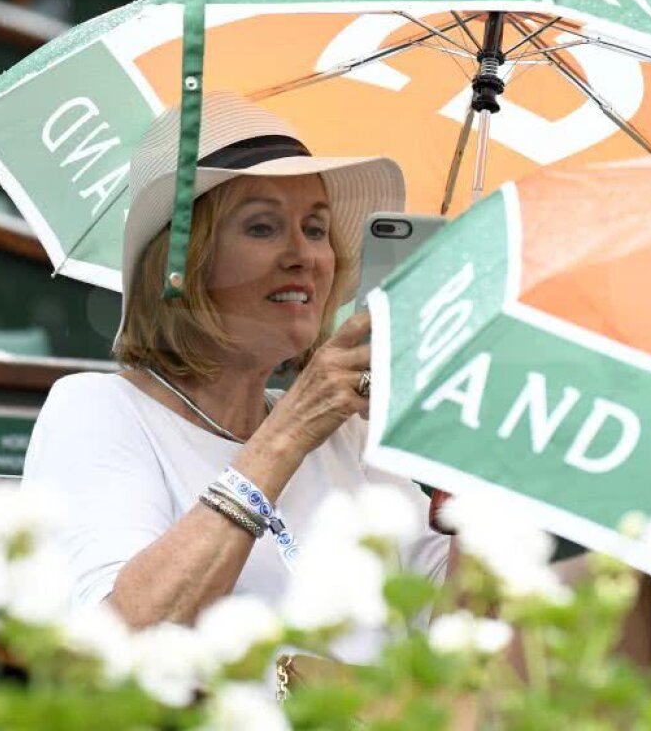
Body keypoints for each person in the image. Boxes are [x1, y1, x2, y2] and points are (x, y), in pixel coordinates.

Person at [22, 93, 449, 664]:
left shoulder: (347, 437)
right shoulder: (99, 408)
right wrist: (293, 428)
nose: (304, 255)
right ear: (184, 265)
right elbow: (115, 645)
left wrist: (470, 482)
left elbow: (462, 641)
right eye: (263, 226)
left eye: (317, 229)